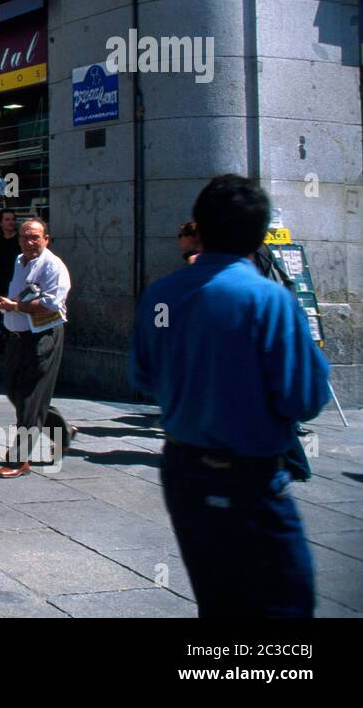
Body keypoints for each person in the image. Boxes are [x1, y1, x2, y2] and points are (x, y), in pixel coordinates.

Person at [132, 175, 330, 618]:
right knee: (285, 604)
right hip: (250, 479)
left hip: (183, 471)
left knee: (217, 600)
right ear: (261, 236)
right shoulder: (270, 300)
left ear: (198, 226)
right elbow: (305, 398)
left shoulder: (161, 295)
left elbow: (143, 376)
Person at [0, 218, 75, 478]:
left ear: (46, 239)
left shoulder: (54, 266)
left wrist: (15, 307)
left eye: (35, 237)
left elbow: (50, 304)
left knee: (30, 397)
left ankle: (19, 460)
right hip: (18, 337)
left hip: (43, 336)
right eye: (25, 237)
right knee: (14, 390)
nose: (30, 242)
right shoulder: (20, 261)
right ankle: (61, 430)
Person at [0, 208, 22, 334]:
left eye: (13, 219)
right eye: (7, 219)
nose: (11, 222)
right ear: (0, 223)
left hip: (15, 279)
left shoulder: (20, 239)